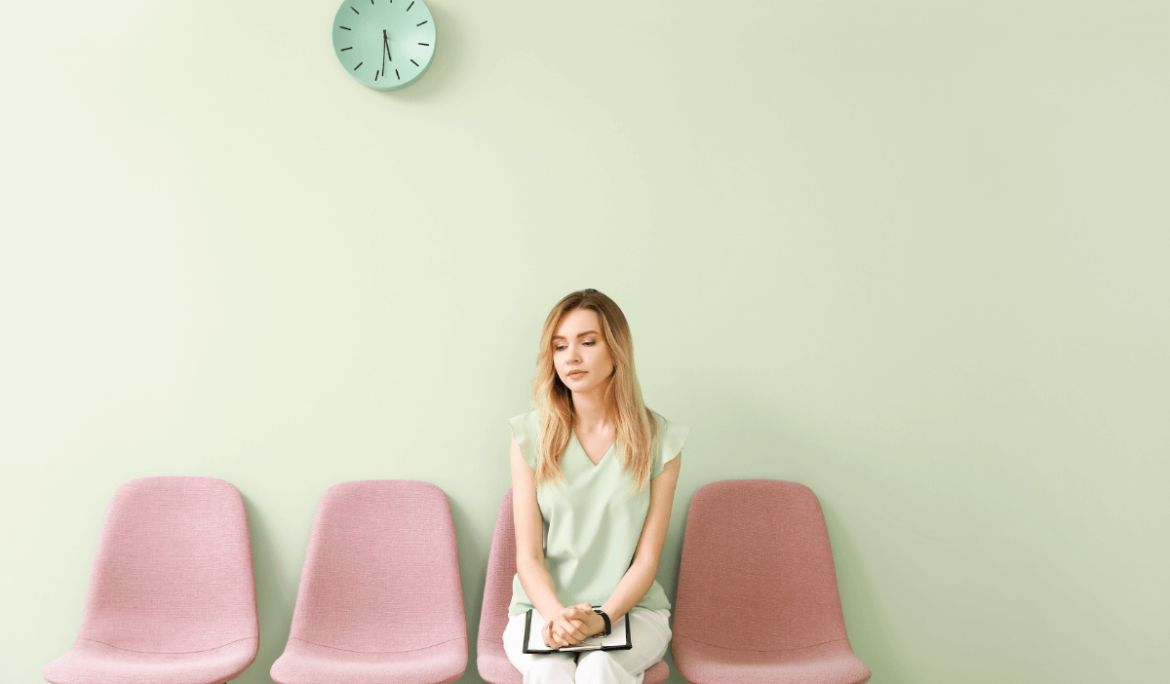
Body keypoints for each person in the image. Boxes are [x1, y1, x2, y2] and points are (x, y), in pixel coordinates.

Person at [502, 289, 689, 684]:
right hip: (541, 610)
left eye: (588, 342)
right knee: (549, 669)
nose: (571, 357)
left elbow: (646, 561)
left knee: (599, 668)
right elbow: (529, 558)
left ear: (616, 350)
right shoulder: (529, 436)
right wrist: (558, 617)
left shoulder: (660, 441)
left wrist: (602, 619)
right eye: (559, 346)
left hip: (632, 612)